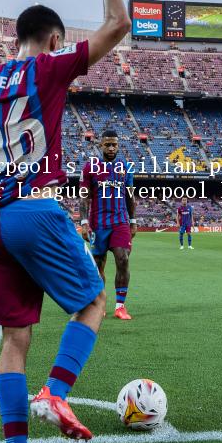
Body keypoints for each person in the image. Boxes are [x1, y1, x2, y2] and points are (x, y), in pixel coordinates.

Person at [0, 0, 130, 443]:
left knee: (15, 336)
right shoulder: (48, 68)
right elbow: (118, 24)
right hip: (32, 207)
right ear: (53, 39)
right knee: (94, 300)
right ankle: (55, 391)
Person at [79, 130, 136, 320]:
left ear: (118, 146)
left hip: (120, 221)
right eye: (107, 144)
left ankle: (120, 307)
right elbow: (84, 197)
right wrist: (84, 222)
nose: (111, 148)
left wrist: (133, 221)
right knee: (98, 265)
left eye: (114, 144)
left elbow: (129, 195)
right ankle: (100, 304)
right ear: (101, 145)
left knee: (123, 259)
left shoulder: (125, 166)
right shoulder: (90, 167)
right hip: (98, 223)